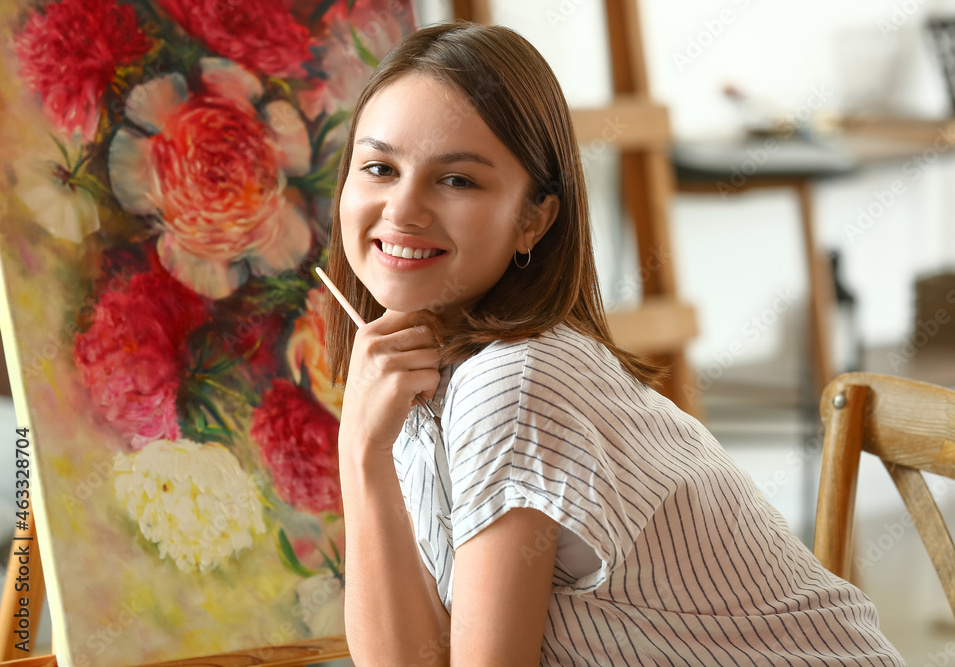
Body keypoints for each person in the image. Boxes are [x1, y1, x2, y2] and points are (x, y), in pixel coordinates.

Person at [323, 19, 905, 666]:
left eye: (457, 180)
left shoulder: (513, 384)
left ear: (532, 219)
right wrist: (362, 452)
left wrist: (360, 451)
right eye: (379, 167)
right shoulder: (419, 368)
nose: (402, 209)